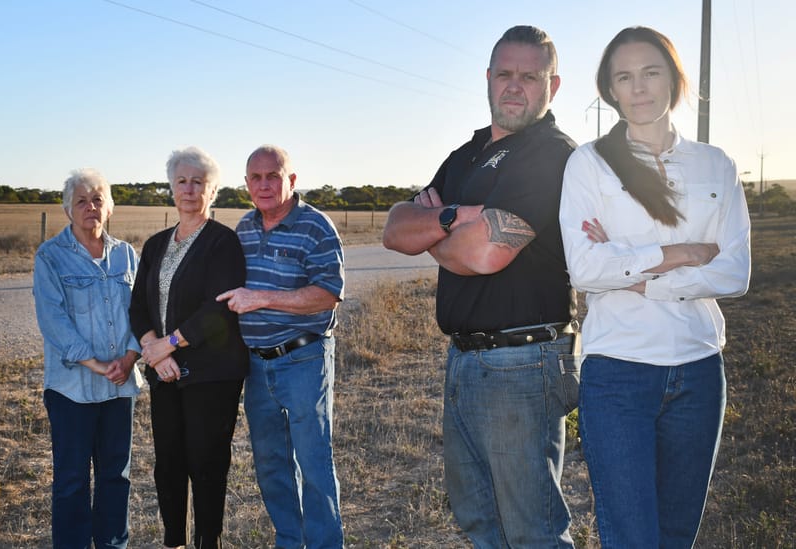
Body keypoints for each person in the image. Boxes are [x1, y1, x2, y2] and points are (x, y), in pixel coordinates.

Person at [382, 25, 577, 547]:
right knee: (478, 520)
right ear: (488, 79)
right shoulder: (467, 153)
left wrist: (435, 231)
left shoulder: (552, 154)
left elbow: (486, 253)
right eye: (505, 74)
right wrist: (460, 217)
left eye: (530, 77)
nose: (515, 87)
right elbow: (395, 230)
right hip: (464, 360)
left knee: (531, 529)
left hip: (523, 360)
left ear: (552, 87)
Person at [559, 26, 751, 548]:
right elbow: (585, 269)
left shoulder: (716, 165)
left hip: (699, 368)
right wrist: (683, 254)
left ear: (674, 80)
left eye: (651, 72)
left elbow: (735, 273)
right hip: (617, 371)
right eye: (624, 77)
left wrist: (641, 277)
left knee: (675, 536)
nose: (639, 88)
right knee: (631, 539)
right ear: (610, 89)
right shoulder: (590, 164)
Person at [217, 145, 345, 548]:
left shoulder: (315, 226)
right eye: (255, 177)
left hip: (303, 359)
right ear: (246, 185)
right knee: (271, 465)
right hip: (256, 366)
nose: (265, 184)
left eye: (274, 175)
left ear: (292, 179)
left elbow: (328, 293)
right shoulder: (242, 228)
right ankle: (290, 541)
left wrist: (263, 298)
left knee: (313, 464)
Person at [129, 146, 249, 549]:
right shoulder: (156, 244)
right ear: (171, 188)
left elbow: (218, 311)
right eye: (182, 181)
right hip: (165, 374)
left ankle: (207, 541)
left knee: (207, 462)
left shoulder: (223, 243)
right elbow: (138, 306)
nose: (189, 189)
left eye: (199, 182)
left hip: (212, 374)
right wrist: (153, 349)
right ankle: (173, 541)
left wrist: (169, 345)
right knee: (168, 464)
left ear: (212, 191)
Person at [33, 168, 144, 549]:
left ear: (108, 207)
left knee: (117, 475)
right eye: (81, 200)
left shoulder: (127, 255)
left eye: (97, 199)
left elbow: (143, 313)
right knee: (72, 479)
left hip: (119, 387)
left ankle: (113, 544)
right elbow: (53, 320)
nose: (90, 207)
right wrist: (96, 363)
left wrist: (130, 357)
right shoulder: (50, 257)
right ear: (68, 210)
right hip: (71, 389)